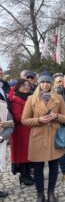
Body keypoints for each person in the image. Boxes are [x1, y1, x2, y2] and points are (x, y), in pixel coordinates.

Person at [21, 72, 65, 202]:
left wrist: (56, 116)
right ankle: (40, 194)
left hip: (54, 137)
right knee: (38, 168)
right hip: (38, 137)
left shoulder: (58, 98)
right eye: (42, 82)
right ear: (39, 83)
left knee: (54, 167)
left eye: (48, 82)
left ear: (51, 84)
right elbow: (24, 120)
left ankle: (51, 193)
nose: (45, 84)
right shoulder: (31, 99)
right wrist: (39, 120)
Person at [9, 79, 34, 186]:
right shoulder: (16, 100)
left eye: (28, 85)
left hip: (29, 130)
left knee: (30, 153)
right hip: (21, 131)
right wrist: (34, 118)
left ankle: (28, 174)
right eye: (23, 85)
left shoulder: (29, 97)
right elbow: (17, 117)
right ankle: (24, 176)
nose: (26, 87)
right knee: (23, 153)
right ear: (18, 87)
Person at [0, 68, 14, 198]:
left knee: (0, 165)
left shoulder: (3, 106)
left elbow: (10, 124)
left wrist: (1, 137)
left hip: (0, 140)